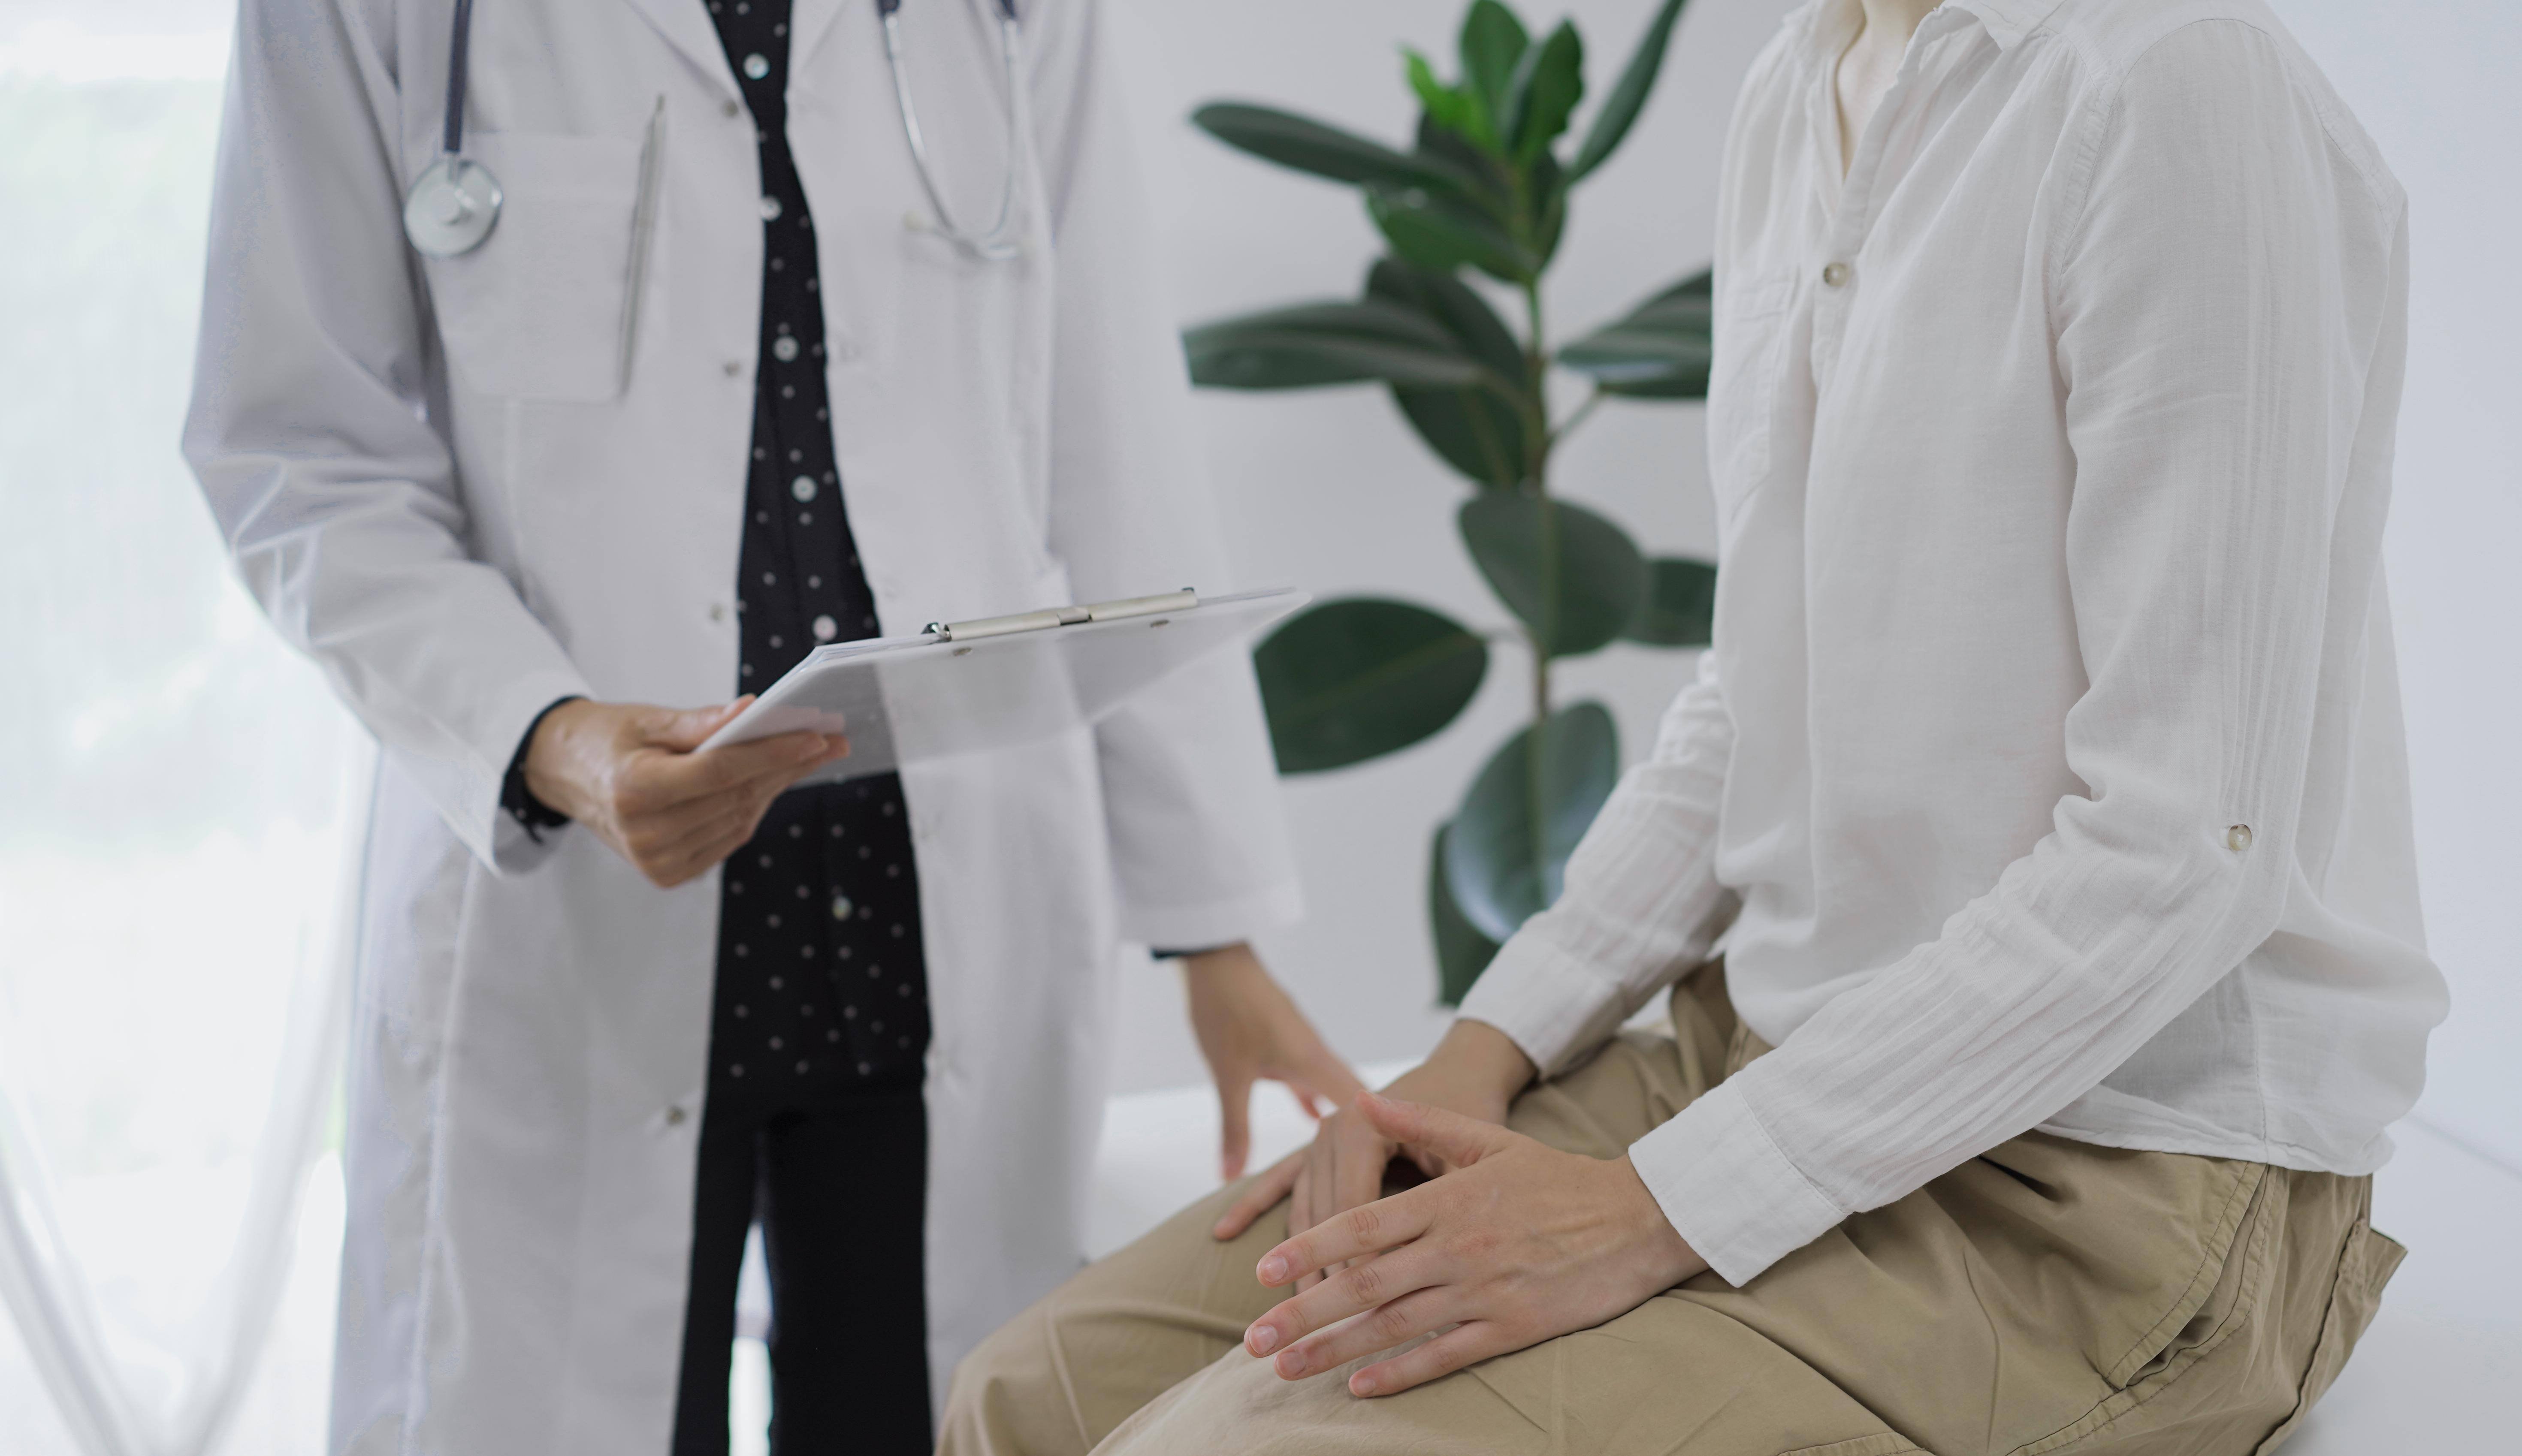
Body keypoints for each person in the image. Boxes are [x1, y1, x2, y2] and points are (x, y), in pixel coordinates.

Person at [938, 0, 2446, 1450]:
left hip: (2109, 1180)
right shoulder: (1801, 87)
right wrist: (1481, 1053)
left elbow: (2189, 843)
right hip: (1760, 1061)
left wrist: (1655, 1210)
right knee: (1036, 1390)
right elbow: (1754, 690)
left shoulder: (2178, 83)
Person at [181, 0, 1364, 1452]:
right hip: (579, 911)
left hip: (927, 925)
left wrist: (1217, 933)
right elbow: (299, 454)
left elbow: (1112, 442)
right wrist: (554, 737)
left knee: (916, 1414)